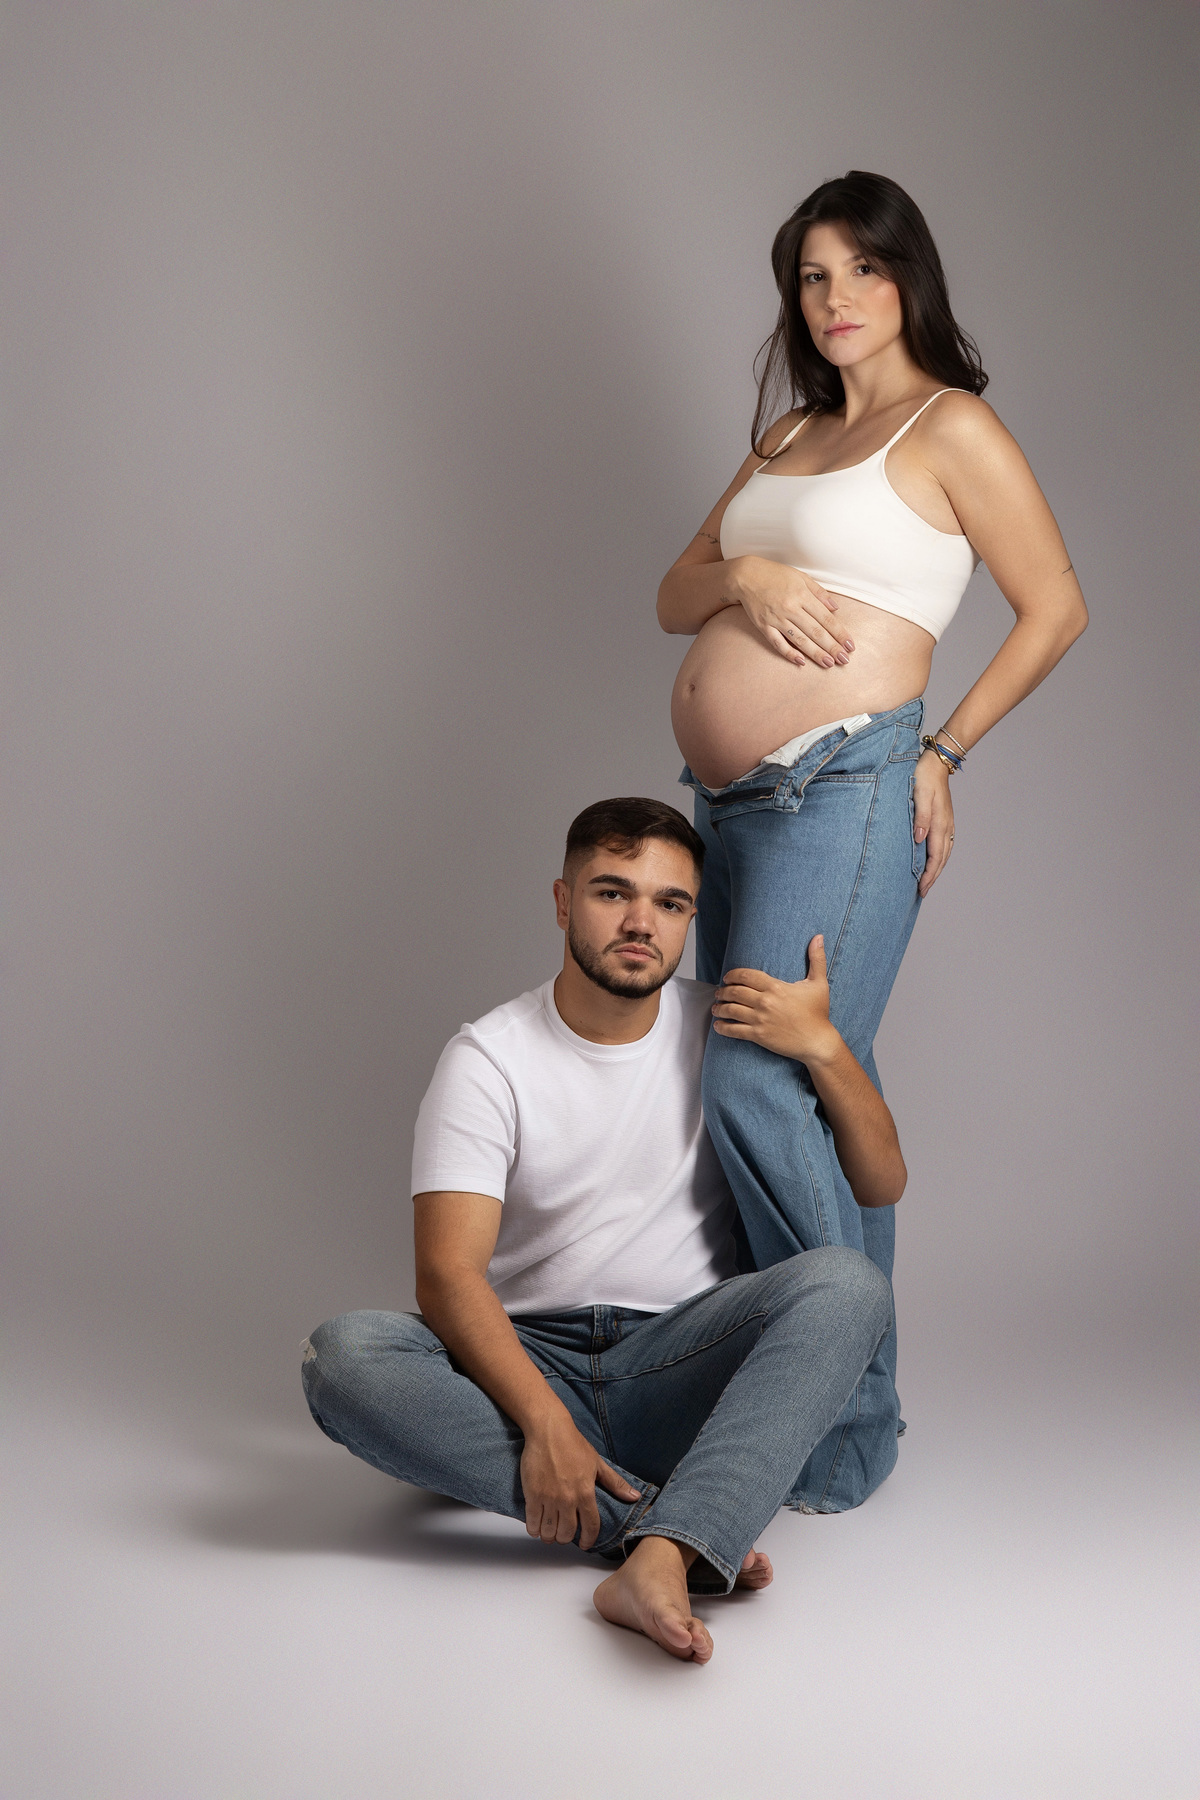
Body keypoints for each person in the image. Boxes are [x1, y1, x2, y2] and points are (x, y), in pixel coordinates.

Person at [658, 171, 1088, 1511]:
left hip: (841, 789)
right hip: (724, 807)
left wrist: (942, 752)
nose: (836, 298)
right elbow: (674, 593)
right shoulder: (791, 434)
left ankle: (846, 1420)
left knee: (758, 1082)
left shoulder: (952, 426)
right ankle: (796, 1403)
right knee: (800, 1091)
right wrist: (749, 574)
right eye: (813, 276)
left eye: (864, 270)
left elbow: (1056, 605)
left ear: (910, 280)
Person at [301, 797, 904, 1663]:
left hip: (681, 1364)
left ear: (692, 918)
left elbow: (883, 1182)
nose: (639, 923)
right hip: (527, 1362)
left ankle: (653, 1535)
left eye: (670, 903)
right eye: (611, 892)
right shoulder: (489, 1059)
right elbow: (446, 1277)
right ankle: (667, 1537)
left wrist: (825, 1047)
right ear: (562, 902)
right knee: (343, 1357)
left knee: (849, 1284)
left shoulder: (725, 1030)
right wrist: (546, 1423)